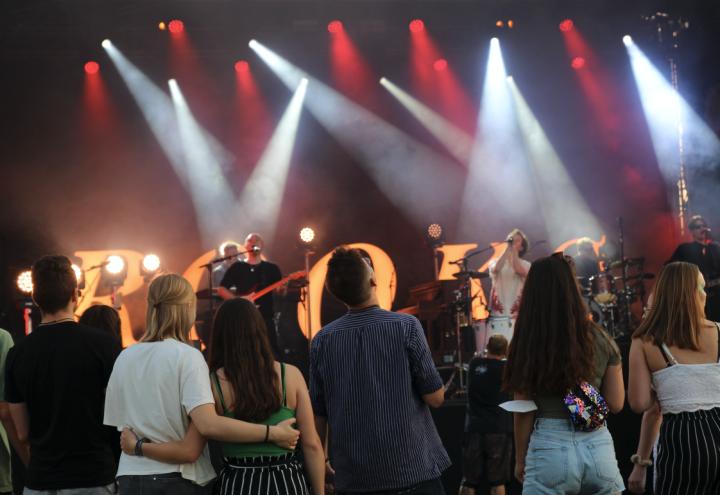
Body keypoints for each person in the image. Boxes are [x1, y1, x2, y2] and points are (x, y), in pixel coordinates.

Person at [104, 273, 299, 494]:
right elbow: (207, 427)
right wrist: (272, 433)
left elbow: (121, 427)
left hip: (130, 479)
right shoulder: (187, 356)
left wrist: (138, 447)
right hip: (178, 480)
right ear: (187, 307)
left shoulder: (125, 357)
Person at [310, 247, 450, 494]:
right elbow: (436, 398)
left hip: (354, 481)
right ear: (374, 280)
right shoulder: (406, 326)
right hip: (412, 473)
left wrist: (319, 466)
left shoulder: (322, 340)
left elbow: (318, 414)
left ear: (335, 293)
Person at [504, 254, 625, 494]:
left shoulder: (527, 340)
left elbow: (524, 408)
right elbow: (616, 403)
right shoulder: (601, 338)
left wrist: (520, 458)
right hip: (598, 446)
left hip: (549, 449)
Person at [5, 255, 121, 494]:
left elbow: (22, 431)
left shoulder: (17, 354)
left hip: (40, 480)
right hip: (94, 478)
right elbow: (119, 416)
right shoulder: (104, 346)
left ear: (36, 299)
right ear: (75, 295)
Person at [628, 261, 720, 494]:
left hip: (682, 440)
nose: (705, 294)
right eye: (702, 287)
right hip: (597, 454)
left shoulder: (644, 341)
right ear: (691, 293)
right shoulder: (718, 331)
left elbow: (639, 404)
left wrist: (668, 386)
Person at [460, 334, 512, 495]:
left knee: (469, 480)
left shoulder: (474, 364)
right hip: (498, 429)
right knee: (498, 480)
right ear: (505, 350)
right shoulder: (507, 369)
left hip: (474, 427)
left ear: (487, 347)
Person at [218, 233, 282, 356]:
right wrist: (239, 301)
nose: (254, 242)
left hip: (265, 318)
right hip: (243, 316)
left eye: (257, 240)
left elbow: (280, 291)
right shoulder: (237, 267)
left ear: (262, 245)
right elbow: (222, 289)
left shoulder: (272, 268)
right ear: (245, 246)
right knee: (242, 351)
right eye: (250, 240)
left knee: (270, 351)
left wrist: (283, 288)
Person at [481, 229, 530, 350]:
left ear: (522, 247)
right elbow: (496, 269)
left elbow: (518, 270)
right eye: (511, 239)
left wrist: (513, 252)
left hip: (516, 316)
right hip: (498, 316)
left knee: (516, 350)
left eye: (517, 240)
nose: (513, 242)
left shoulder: (527, 265)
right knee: (497, 351)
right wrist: (508, 248)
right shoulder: (494, 262)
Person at [668, 214, 720, 321]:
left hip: (717, 295)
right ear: (691, 231)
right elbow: (669, 267)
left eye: (703, 226)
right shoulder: (685, 249)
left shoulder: (715, 248)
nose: (702, 228)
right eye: (698, 227)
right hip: (696, 297)